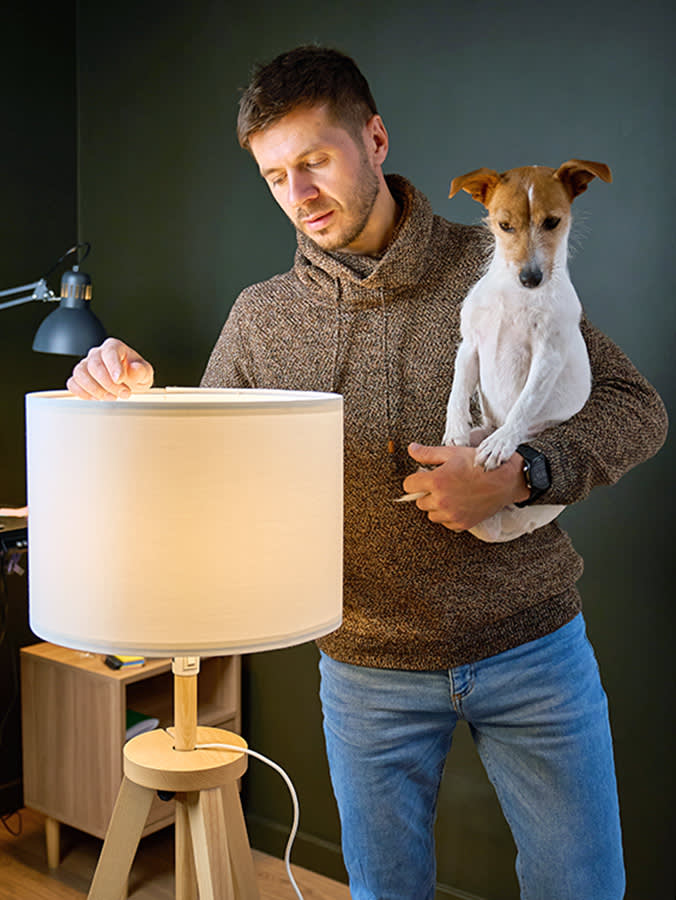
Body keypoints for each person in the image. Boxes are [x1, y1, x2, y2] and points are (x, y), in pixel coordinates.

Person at [67, 46, 668, 900]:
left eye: (314, 160)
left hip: (534, 650)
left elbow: (635, 406)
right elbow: (202, 471)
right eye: (276, 176)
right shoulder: (261, 320)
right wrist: (128, 391)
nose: (299, 194)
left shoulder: (498, 255)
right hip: (366, 674)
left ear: (375, 139)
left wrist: (523, 472)